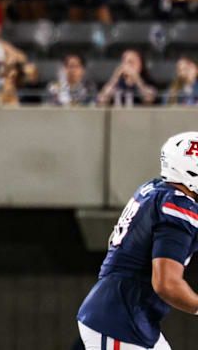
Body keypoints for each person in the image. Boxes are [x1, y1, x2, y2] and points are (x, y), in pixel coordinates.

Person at [77, 132, 198, 350]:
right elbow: (167, 284)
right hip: (120, 321)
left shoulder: (155, 190)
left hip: (128, 315)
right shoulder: (177, 206)